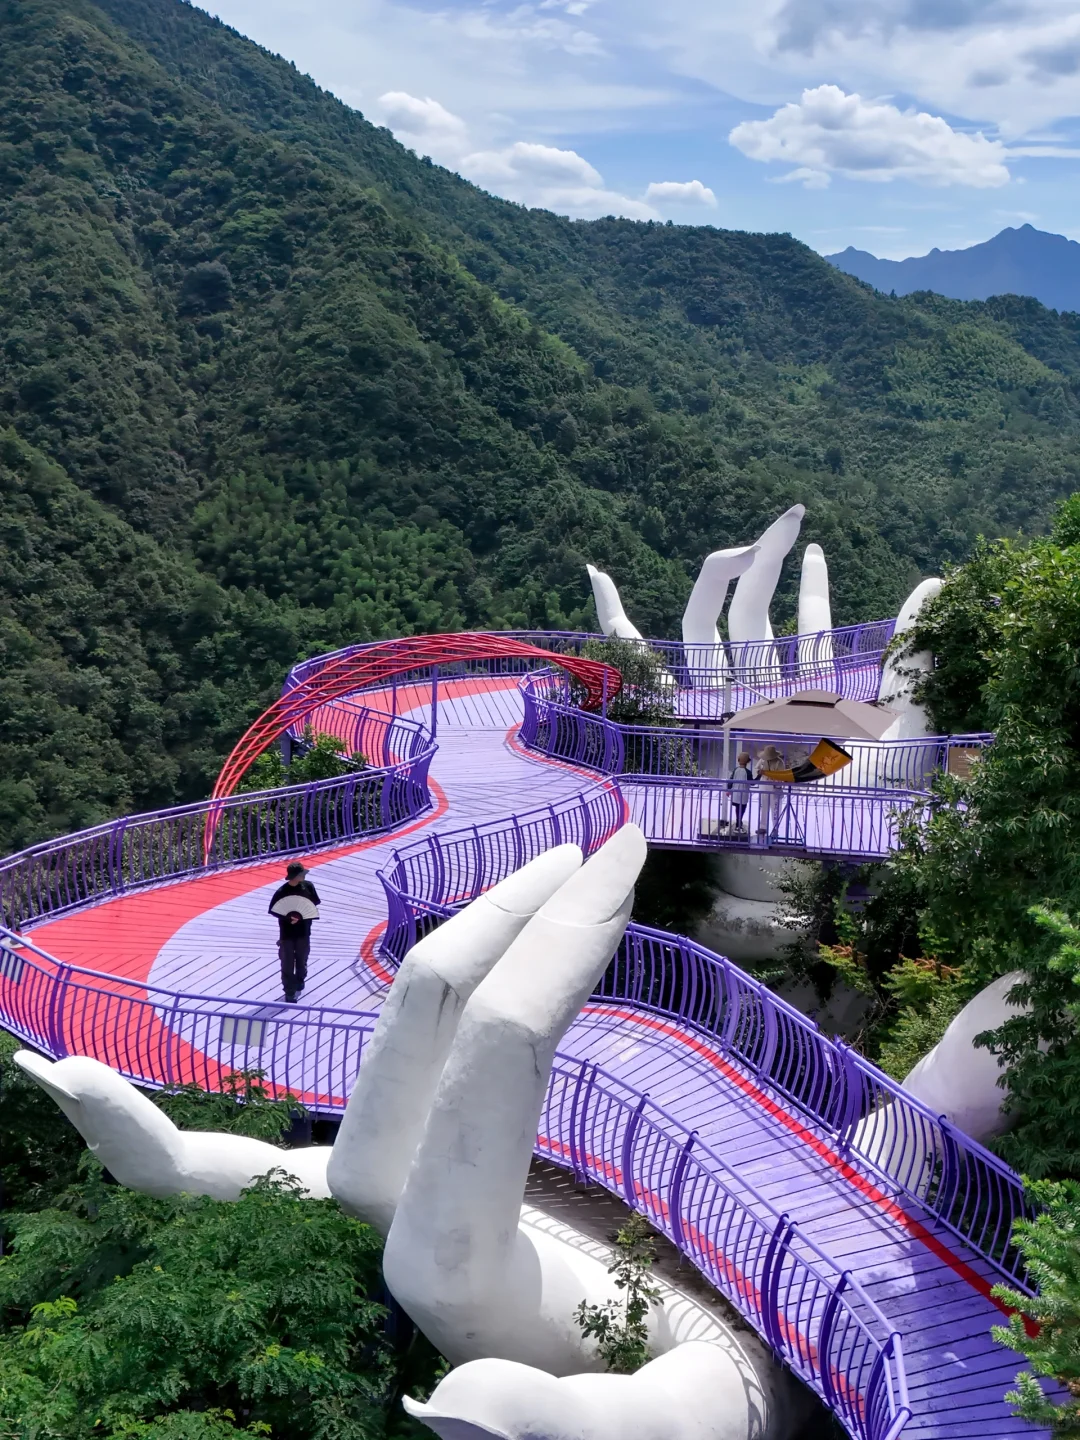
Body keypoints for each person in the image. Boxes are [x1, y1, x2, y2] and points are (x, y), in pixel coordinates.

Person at [269, 860, 321, 1003]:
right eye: (301, 874)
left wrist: (303, 914)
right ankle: (289, 991)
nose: (303, 876)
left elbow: (313, 904)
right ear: (295, 876)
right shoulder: (282, 892)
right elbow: (274, 910)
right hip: (287, 933)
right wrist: (288, 918)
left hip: (304, 930)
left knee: (302, 959)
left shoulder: (308, 886)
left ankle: (300, 979)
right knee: (287, 962)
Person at [755, 746, 785, 838]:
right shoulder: (762, 760)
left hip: (774, 786)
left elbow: (782, 775)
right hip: (764, 785)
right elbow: (756, 768)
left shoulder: (779, 762)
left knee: (775, 808)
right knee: (763, 806)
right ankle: (762, 826)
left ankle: (775, 828)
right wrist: (759, 772)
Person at [729, 752, 752, 832]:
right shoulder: (748, 772)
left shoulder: (736, 770)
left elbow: (730, 780)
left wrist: (729, 790)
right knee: (742, 809)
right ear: (748, 762)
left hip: (735, 793)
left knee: (737, 808)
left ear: (738, 760)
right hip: (744, 794)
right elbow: (752, 783)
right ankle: (739, 823)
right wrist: (759, 776)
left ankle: (738, 822)